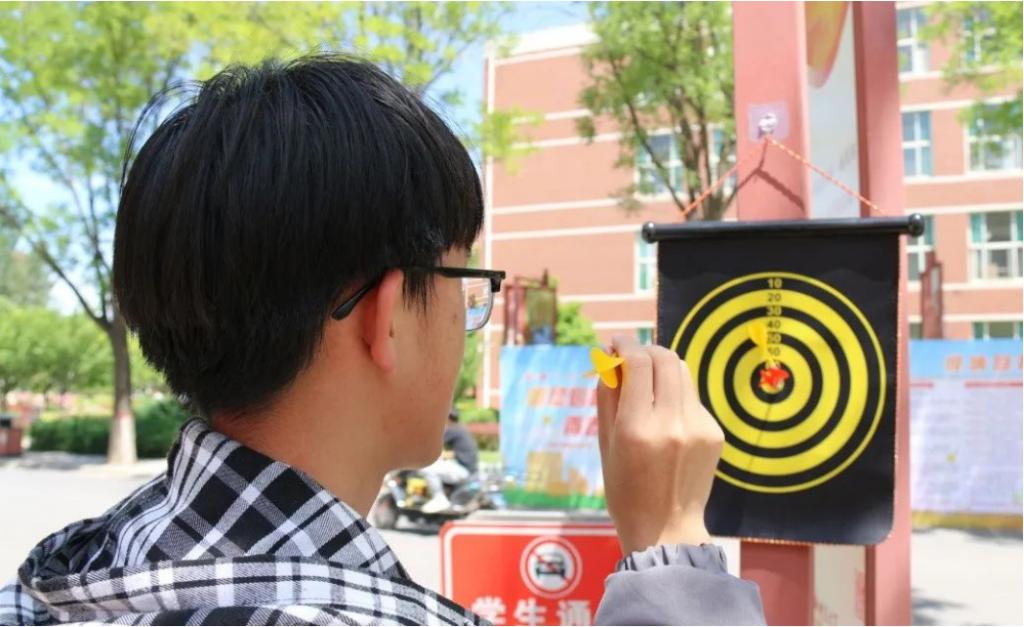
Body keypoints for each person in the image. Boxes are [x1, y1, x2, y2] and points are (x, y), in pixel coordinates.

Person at [0, 55, 765, 626]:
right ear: (389, 316)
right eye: (467, 283)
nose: (468, 317)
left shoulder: (54, 583)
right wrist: (673, 549)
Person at [421, 409, 479, 514]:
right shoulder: (460, 429)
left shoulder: (453, 430)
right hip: (468, 469)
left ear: (447, 418)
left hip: (464, 470)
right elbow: (452, 452)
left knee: (427, 468)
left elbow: (432, 443)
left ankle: (439, 499)